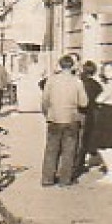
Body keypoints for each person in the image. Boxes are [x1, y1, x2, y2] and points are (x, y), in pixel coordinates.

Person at [39, 55, 88, 187]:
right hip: (71, 119)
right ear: (72, 66)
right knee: (69, 150)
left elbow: (44, 101)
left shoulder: (51, 80)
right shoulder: (77, 82)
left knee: (51, 149)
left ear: (60, 66)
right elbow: (84, 103)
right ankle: (65, 179)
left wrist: (47, 114)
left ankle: (47, 178)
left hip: (54, 118)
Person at [89, 61, 112, 184]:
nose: (107, 73)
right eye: (105, 70)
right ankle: (110, 171)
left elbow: (100, 98)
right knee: (103, 145)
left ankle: (111, 172)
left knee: (107, 145)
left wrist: (99, 95)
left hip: (108, 113)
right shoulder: (110, 84)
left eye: (110, 70)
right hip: (106, 113)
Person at [77, 61, 103, 179]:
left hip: (77, 112)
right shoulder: (96, 85)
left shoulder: (78, 81)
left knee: (78, 139)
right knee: (85, 139)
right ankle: (80, 162)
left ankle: (77, 163)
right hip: (91, 113)